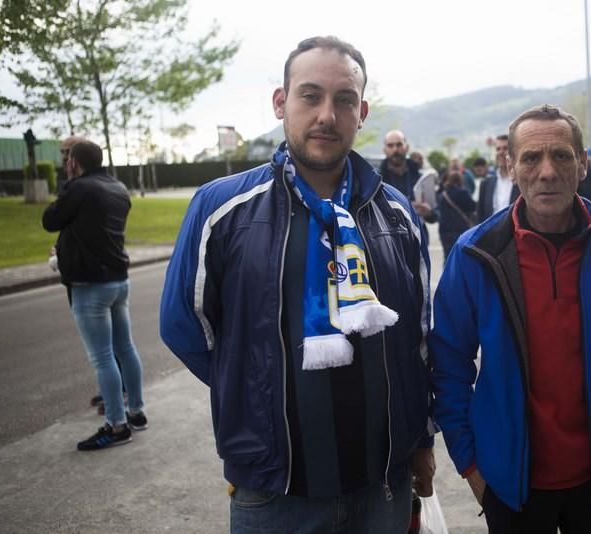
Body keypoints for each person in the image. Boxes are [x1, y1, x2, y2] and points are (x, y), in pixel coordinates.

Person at [159, 36, 434, 533]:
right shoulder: (221, 209)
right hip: (273, 494)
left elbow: (417, 340)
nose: (327, 114)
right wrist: (257, 395)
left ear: (362, 111)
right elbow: (185, 327)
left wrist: (422, 441)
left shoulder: (398, 214)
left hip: (382, 487)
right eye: (310, 96)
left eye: (344, 99)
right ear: (281, 103)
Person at [430, 104, 591, 533]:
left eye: (561, 156)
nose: (547, 171)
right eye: (531, 157)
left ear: (581, 164)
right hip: (511, 484)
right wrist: (469, 463)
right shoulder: (475, 254)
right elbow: (448, 364)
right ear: (511, 166)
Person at [42, 140, 148, 450]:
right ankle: (136, 413)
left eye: (67, 160)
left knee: (103, 358)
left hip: (90, 286)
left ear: (74, 162)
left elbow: (50, 220)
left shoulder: (78, 188)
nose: (65, 164)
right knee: (125, 348)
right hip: (118, 280)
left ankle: (116, 427)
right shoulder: (117, 187)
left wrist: (71, 182)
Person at [380, 130, 436, 224]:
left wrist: (428, 213)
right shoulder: (377, 181)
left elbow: (436, 214)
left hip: (418, 234)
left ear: (406, 147)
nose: (395, 150)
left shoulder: (421, 178)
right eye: (390, 145)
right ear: (384, 150)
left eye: (399, 145)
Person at [477, 134, 519, 222]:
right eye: (498, 149)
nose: (501, 152)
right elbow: (480, 218)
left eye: (505, 148)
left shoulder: (521, 182)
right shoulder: (485, 184)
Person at [437, 170, 476, 259]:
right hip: (460, 229)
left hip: (445, 231)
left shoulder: (443, 194)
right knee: (461, 256)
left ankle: (448, 272)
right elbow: (472, 206)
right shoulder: (463, 193)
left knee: (448, 256)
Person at [409, 150, 439, 221]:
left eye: (421, 159)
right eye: (419, 158)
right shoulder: (408, 176)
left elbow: (434, 215)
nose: (421, 161)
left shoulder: (423, 176)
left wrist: (429, 212)